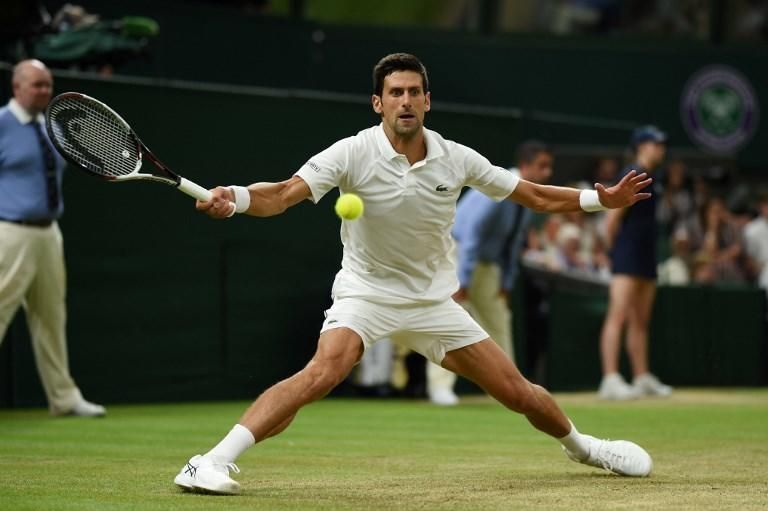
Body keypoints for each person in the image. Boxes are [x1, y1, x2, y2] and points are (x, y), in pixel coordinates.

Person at [175, 53, 655, 495]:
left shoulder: (457, 158)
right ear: (378, 103)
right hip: (366, 293)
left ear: (427, 101)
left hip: (431, 302)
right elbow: (282, 194)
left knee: (517, 392)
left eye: (413, 92)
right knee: (322, 373)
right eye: (395, 93)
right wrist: (237, 198)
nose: (404, 101)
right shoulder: (351, 152)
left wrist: (600, 200)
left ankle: (584, 448)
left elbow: (533, 195)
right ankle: (210, 461)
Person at [0, 59, 105, 417]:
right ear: (17, 87)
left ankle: (63, 398)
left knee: (51, 317)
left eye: (48, 84)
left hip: (48, 234)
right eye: (37, 85)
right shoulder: (1, 124)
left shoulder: (52, 128)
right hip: (10, 233)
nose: (45, 91)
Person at [426, 141, 553, 406]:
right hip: (457, 255)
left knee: (499, 322)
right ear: (525, 165)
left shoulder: (527, 195)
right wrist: (464, 279)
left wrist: (506, 281)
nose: (547, 173)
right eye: (542, 166)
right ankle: (440, 387)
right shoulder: (500, 186)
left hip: (488, 264)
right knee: (448, 321)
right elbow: (472, 234)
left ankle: (508, 388)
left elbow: (514, 242)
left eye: (548, 166)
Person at [598, 125, 671, 401]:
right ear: (641, 146)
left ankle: (641, 377)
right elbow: (612, 219)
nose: (660, 149)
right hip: (626, 255)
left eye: (662, 144)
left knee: (640, 320)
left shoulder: (654, 177)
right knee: (617, 316)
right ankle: (610, 378)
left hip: (646, 256)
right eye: (655, 144)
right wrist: (613, 253)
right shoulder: (631, 174)